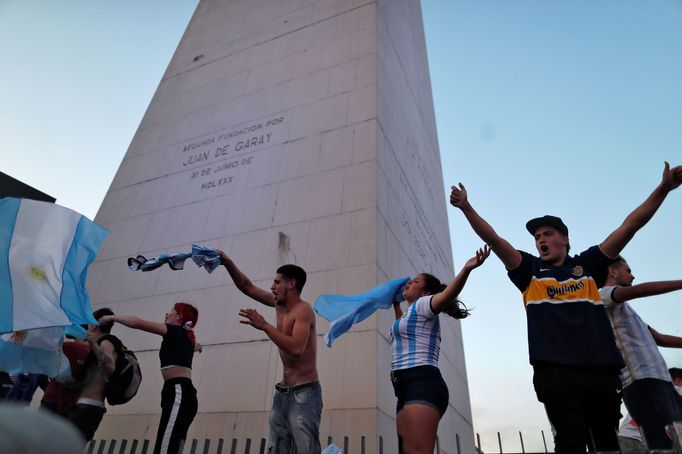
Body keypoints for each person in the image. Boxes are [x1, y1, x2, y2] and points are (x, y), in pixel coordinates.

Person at [449, 162, 682, 453]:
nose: (540, 240)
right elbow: (494, 239)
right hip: (555, 371)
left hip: (601, 371)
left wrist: (664, 189)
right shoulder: (529, 270)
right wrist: (467, 208)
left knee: (606, 443)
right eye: (537, 237)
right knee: (570, 442)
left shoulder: (588, 266)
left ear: (565, 238)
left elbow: (630, 225)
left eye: (547, 234)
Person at [218, 251, 321, 454]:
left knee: (306, 450)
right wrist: (226, 262)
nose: (272, 287)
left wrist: (264, 325)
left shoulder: (303, 310)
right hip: (283, 393)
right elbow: (246, 286)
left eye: (277, 282)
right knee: (277, 448)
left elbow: (296, 348)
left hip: (305, 393)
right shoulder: (278, 304)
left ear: (291, 284)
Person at [389, 246, 490, 454]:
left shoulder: (424, 304)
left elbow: (447, 294)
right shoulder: (411, 314)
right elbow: (404, 328)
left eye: (415, 281)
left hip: (422, 382)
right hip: (403, 387)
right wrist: (395, 305)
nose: (410, 282)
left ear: (425, 292)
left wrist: (466, 269)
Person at [601, 257, 682, 450]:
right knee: (662, 444)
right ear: (613, 272)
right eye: (628, 270)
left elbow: (660, 338)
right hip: (642, 382)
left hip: (661, 382)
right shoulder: (603, 295)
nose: (633, 275)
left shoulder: (626, 311)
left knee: (677, 440)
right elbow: (641, 290)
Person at [98, 302, 201, 454]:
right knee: (173, 443)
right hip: (180, 392)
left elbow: (138, 323)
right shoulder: (185, 337)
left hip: (179, 391)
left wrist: (112, 317)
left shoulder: (174, 331)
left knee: (166, 445)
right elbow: (195, 346)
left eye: (171, 310)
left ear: (180, 316)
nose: (167, 313)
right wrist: (198, 347)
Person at [69, 308, 118, 442]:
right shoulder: (98, 345)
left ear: (94, 325)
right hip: (85, 406)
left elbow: (111, 366)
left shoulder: (106, 342)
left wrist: (92, 343)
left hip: (89, 407)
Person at [618, 368, 682, 453]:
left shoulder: (657, 391)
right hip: (635, 439)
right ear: (678, 380)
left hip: (628, 436)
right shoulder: (674, 390)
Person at [41, 335, 91, 417]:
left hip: (54, 399)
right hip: (73, 403)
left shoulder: (68, 347)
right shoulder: (93, 352)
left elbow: (51, 370)